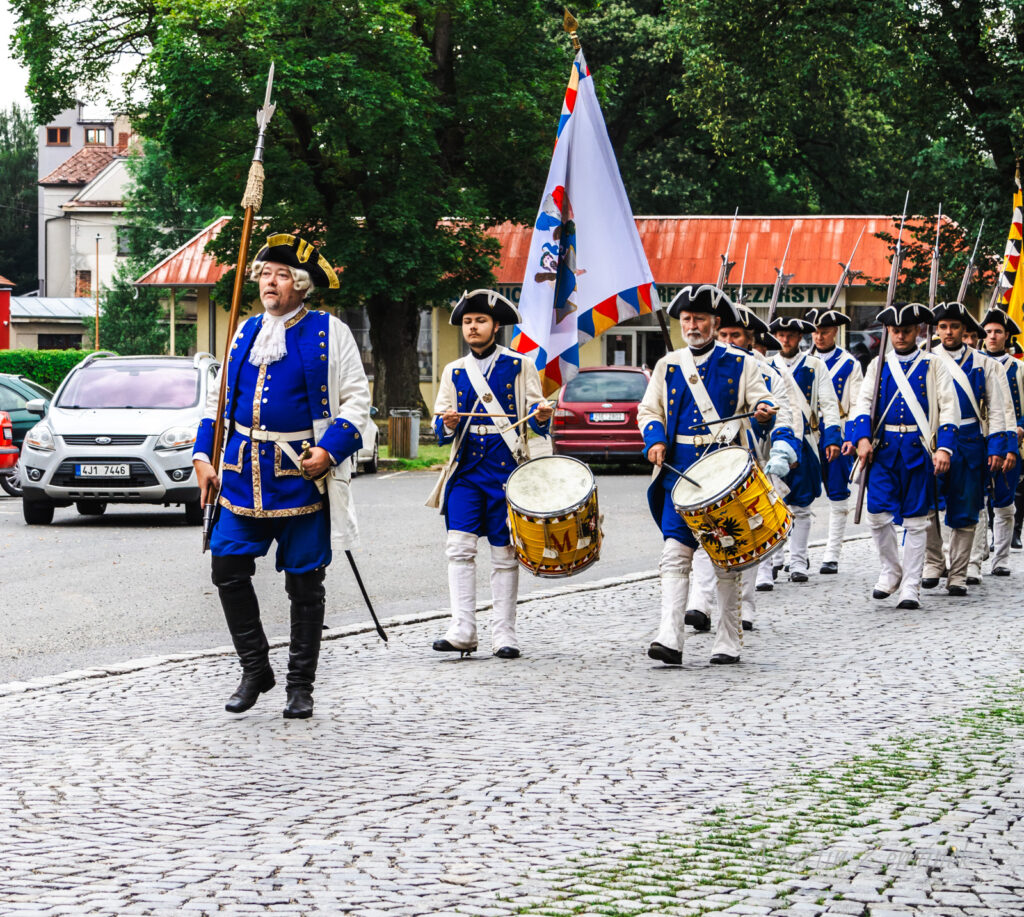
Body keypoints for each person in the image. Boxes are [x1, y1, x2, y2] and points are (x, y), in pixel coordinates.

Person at [193, 234, 371, 719]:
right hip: (238, 473)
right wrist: (202, 456)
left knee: (305, 585)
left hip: (302, 476)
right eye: (265, 274)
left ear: (302, 284)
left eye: (281, 275)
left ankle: (300, 685)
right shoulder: (244, 330)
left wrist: (330, 451)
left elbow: (358, 401)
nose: (270, 283)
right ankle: (255, 668)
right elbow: (218, 401)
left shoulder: (331, 332)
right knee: (227, 569)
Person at [638, 285, 794, 666]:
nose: (692, 325)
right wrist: (655, 440)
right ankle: (670, 637)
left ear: (715, 322)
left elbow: (764, 399)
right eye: (687, 319)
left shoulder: (742, 363)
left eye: (700, 319)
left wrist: (763, 408)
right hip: (679, 472)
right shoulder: (668, 364)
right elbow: (648, 410)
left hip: (725, 472)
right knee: (675, 555)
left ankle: (728, 639)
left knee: (727, 558)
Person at [428, 289, 552, 659]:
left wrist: (543, 416)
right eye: (467, 322)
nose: (473, 327)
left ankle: (504, 634)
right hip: (466, 471)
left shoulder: (519, 365)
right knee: (459, 548)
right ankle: (463, 628)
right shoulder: (453, 371)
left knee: (504, 554)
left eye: (480, 321)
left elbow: (537, 419)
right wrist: (446, 424)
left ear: (496, 326)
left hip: (505, 470)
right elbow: (439, 425)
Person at [685, 305, 798, 631]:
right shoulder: (697, 369)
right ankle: (700, 604)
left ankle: (743, 606)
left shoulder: (771, 377)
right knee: (707, 533)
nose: (729, 341)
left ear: (751, 340)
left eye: (736, 336)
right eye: (724, 335)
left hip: (752, 465)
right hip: (709, 463)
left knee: (747, 538)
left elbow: (785, 419)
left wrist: (780, 444)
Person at [848, 303, 957, 610]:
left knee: (916, 521)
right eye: (895, 330)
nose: (900, 335)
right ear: (888, 331)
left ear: (918, 331)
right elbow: (862, 403)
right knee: (877, 516)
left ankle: (911, 585)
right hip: (883, 451)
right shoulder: (878, 365)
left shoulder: (933, 364)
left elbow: (949, 408)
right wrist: (862, 438)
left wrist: (944, 448)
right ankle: (891, 570)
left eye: (906, 330)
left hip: (918, 449)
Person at [921, 301, 1006, 595]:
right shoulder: (925, 360)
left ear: (965, 330)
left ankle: (958, 573)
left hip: (969, 441)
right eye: (943, 326)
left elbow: (997, 410)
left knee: (966, 508)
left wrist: (997, 446)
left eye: (954, 326)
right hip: (934, 440)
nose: (948, 332)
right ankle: (933, 562)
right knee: (928, 504)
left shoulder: (986, 365)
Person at [768, 315, 842, 582]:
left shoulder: (815, 366)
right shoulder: (767, 365)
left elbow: (829, 404)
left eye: (790, 335)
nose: (785, 340)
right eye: (780, 335)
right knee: (773, 503)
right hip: (775, 440)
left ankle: (798, 562)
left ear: (800, 338)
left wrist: (832, 437)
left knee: (801, 505)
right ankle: (775, 558)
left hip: (807, 442)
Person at [806, 307, 864, 574]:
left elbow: (856, 405)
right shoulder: (804, 361)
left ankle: (832, 553)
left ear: (835, 332)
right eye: (816, 331)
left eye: (825, 332)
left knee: (838, 494)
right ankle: (797, 553)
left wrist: (850, 437)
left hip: (837, 432)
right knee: (797, 494)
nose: (819, 337)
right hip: (807, 434)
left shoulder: (850, 364)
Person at [977, 308, 1023, 574]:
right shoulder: (975, 364)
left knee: (1004, 502)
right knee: (978, 500)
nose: (992, 336)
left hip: (1009, 444)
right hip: (979, 440)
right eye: (989, 332)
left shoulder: (1018, 368)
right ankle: (979, 552)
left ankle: (1001, 558)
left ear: (1007, 336)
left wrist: (1020, 428)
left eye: (998, 332)